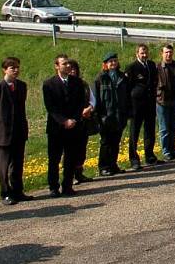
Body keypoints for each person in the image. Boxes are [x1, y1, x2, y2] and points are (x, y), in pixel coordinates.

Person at [0, 56, 32, 205]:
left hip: (19, 130)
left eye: (17, 67)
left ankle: (18, 191)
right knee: (3, 165)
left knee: (18, 163)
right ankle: (5, 192)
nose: (16, 70)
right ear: (5, 70)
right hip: (3, 133)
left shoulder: (22, 86)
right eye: (12, 68)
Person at [43, 54, 88, 197]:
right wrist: (64, 121)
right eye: (64, 64)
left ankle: (67, 186)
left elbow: (81, 102)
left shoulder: (77, 82)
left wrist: (74, 119)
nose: (68, 66)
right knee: (54, 158)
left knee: (70, 158)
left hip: (73, 126)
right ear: (57, 66)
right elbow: (51, 108)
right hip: (56, 127)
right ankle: (53, 186)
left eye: (68, 63)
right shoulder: (49, 84)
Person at [95, 52, 131, 176]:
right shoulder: (100, 78)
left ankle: (113, 164)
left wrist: (127, 112)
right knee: (105, 142)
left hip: (119, 115)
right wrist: (99, 116)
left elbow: (127, 96)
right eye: (110, 62)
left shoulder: (122, 77)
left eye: (115, 61)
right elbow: (97, 99)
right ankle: (103, 166)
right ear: (105, 64)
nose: (113, 64)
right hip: (106, 115)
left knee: (116, 142)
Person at [125, 43, 160, 169]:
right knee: (135, 132)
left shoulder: (151, 65)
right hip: (136, 105)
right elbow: (127, 88)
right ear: (137, 54)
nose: (144, 55)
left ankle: (149, 156)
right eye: (142, 53)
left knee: (150, 130)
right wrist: (129, 106)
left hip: (150, 103)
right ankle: (134, 159)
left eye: (146, 53)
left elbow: (154, 82)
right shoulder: (132, 67)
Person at [67, 59, 96, 185]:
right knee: (70, 150)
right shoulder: (65, 85)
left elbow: (92, 100)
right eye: (70, 69)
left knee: (82, 148)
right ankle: (70, 175)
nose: (73, 71)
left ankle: (79, 173)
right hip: (71, 122)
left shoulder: (83, 84)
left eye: (75, 69)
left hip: (84, 121)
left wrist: (89, 108)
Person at [156, 44, 175, 161]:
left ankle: (173, 150)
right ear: (162, 54)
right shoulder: (157, 67)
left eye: (170, 52)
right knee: (164, 128)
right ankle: (166, 151)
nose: (168, 54)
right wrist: (158, 95)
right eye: (166, 52)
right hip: (162, 101)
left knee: (173, 127)